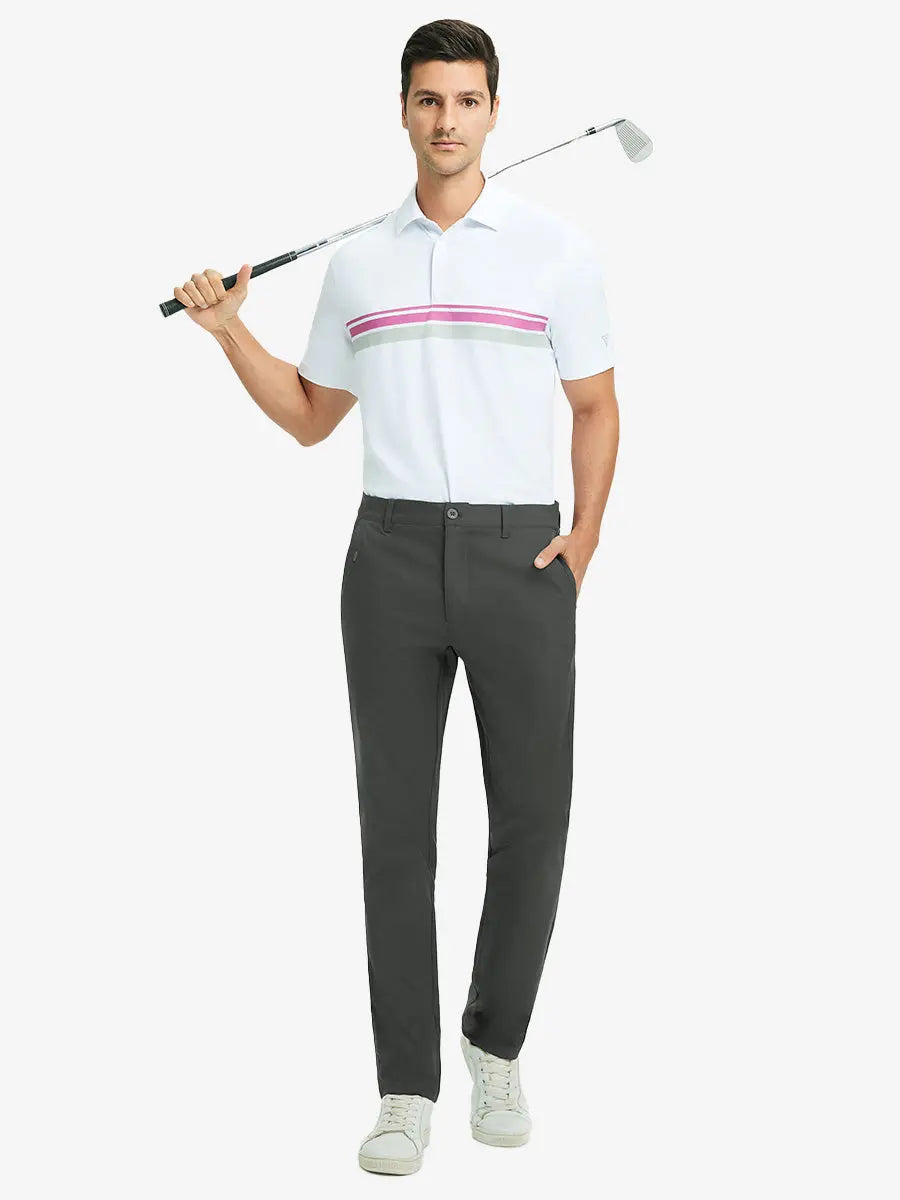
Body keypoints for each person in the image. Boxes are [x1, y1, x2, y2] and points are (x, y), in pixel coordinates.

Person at [172, 18, 619, 1177]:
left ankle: (495, 1046)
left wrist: (582, 540)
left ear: (495, 111)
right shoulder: (360, 264)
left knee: (535, 818)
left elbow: (595, 405)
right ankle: (405, 1086)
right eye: (429, 99)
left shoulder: (556, 251)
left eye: (467, 100)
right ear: (404, 110)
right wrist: (230, 332)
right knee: (395, 832)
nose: (447, 120)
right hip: (390, 560)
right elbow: (311, 417)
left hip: (523, 556)